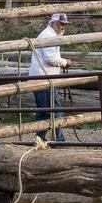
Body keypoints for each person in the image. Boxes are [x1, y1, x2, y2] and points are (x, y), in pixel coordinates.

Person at [26, 12, 72, 141]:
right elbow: (50, 57)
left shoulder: (49, 34)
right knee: (55, 109)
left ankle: (40, 138)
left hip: (42, 78)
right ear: (53, 23)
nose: (63, 27)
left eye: (64, 25)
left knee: (44, 111)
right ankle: (59, 139)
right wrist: (65, 62)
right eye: (60, 24)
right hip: (44, 79)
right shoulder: (49, 36)